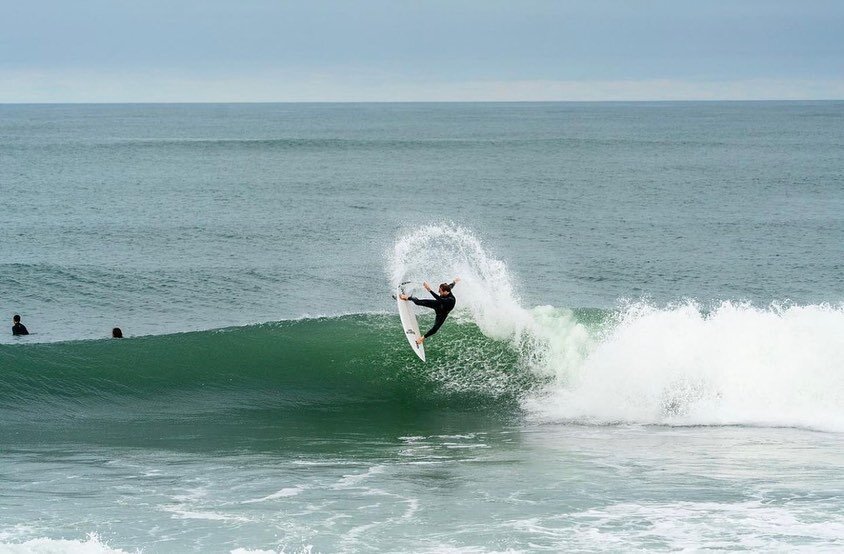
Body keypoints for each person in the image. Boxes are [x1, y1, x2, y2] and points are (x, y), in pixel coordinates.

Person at [399, 277, 460, 345]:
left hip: (442, 313)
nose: (438, 291)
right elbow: (451, 285)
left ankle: (422, 338)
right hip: (437, 305)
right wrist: (454, 281)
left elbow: (440, 299)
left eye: (440, 291)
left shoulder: (451, 299)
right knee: (418, 302)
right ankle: (408, 297)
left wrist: (429, 289)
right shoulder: (447, 288)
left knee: (435, 329)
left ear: (446, 292)